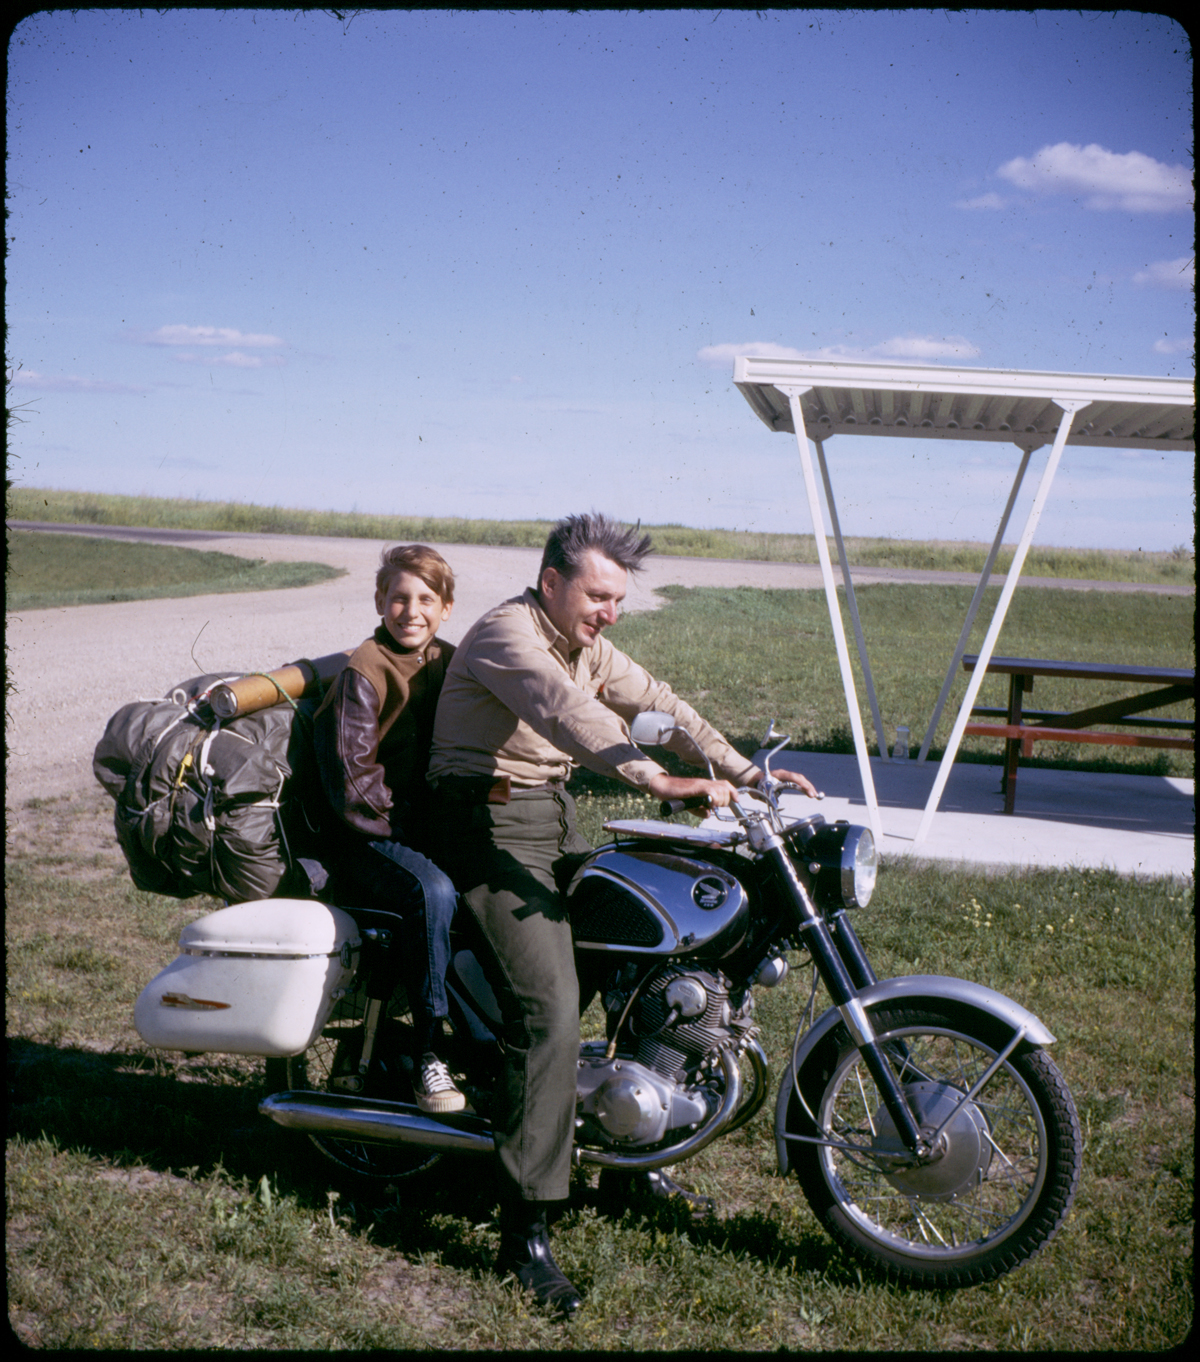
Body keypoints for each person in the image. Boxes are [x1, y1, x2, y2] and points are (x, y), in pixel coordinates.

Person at [427, 513, 817, 1314]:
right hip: (480, 826)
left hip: (554, 820)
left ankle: (626, 1175)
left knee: (660, 956)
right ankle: (524, 1234)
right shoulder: (511, 636)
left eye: (617, 601)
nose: (609, 612)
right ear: (551, 584)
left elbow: (659, 705)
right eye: (597, 596)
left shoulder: (587, 641)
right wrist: (657, 781)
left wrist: (749, 772)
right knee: (552, 1011)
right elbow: (568, 712)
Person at [313, 544, 466, 1115]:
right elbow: (354, 784)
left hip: (423, 830)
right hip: (364, 837)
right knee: (434, 891)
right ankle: (429, 1052)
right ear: (379, 601)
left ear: (446, 607)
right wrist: (413, 836)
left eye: (426, 599)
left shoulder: (451, 662)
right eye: (399, 597)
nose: (411, 610)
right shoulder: (364, 669)